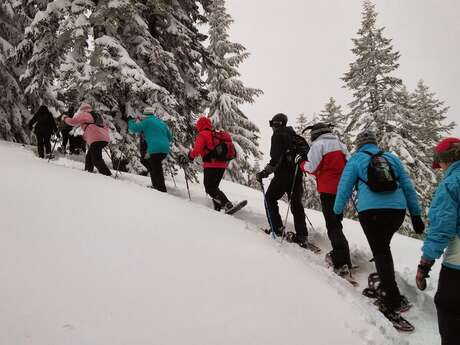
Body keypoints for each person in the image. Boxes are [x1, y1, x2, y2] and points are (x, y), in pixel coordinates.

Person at [333, 129, 424, 315]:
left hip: (371, 212)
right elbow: (407, 187)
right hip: (397, 212)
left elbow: (344, 188)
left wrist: (336, 212)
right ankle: (387, 282)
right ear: (375, 143)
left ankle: (392, 297)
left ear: (359, 144)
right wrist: (415, 215)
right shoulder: (391, 158)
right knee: (383, 247)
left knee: (381, 250)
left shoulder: (356, 160)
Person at [416, 138, 460, 345]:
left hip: (458, 262)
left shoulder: (452, 183)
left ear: (448, 160)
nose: (440, 168)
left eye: (440, 163)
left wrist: (425, 263)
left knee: (448, 307)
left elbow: (442, 227)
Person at [297, 123, 352, 275]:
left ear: (316, 133)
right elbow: (348, 165)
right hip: (343, 189)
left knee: (333, 224)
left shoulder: (318, 145)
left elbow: (312, 167)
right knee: (337, 223)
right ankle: (344, 256)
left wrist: (301, 163)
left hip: (328, 190)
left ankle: (341, 260)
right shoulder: (341, 144)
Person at [256, 113, 309, 247]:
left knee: (270, 198)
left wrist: (265, 172)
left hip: (283, 175)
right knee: (296, 204)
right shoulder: (295, 136)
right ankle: (302, 235)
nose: (272, 126)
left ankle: (277, 228)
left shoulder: (278, 135)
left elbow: (276, 158)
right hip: (297, 175)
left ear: (277, 123)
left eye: (272, 123)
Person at [179, 116, 233, 211]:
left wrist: (190, 157)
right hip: (222, 165)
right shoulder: (215, 134)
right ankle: (218, 207)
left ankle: (226, 203)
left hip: (211, 165)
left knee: (209, 188)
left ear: (200, 125)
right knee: (214, 187)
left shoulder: (203, 134)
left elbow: (197, 150)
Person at [128, 107, 172, 192]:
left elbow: (134, 129)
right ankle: (156, 185)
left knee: (156, 168)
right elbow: (170, 137)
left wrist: (130, 121)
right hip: (165, 149)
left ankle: (161, 189)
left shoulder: (147, 122)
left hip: (155, 148)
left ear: (145, 115)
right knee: (153, 165)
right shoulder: (161, 122)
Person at [63, 103, 112, 176]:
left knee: (96, 160)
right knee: (89, 157)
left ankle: (107, 175)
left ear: (82, 109)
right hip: (104, 138)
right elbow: (104, 126)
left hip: (96, 138)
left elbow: (73, 122)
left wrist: (64, 118)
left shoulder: (85, 114)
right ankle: (88, 173)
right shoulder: (97, 115)